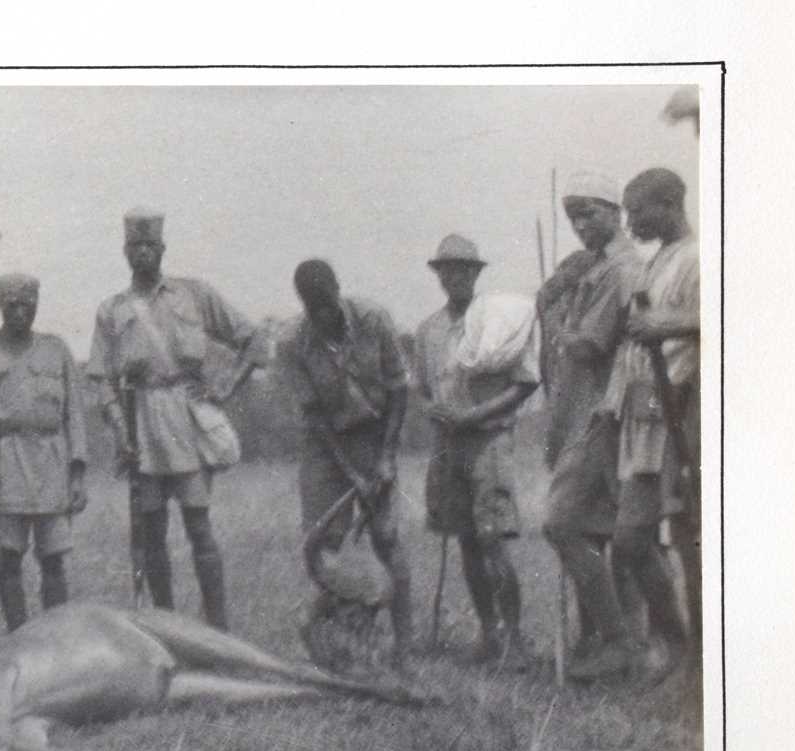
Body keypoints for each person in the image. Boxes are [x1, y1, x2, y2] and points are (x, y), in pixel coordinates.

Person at [85, 208, 265, 630]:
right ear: (125, 252)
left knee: (199, 528)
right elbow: (101, 379)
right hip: (140, 426)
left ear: (162, 249)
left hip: (186, 421)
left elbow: (254, 340)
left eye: (150, 245)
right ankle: (169, 630)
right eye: (135, 246)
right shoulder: (112, 309)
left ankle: (218, 631)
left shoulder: (194, 295)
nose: (143, 252)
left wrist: (225, 386)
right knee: (152, 535)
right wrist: (119, 432)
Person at [274, 259, 413, 665]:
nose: (323, 315)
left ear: (339, 291)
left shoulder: (374, 319)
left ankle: (404, 647)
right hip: (326, 444)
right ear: (303, 305)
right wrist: (352, 473)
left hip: (374, 433)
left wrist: (385, 459)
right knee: (322, 545)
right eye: (313, 308)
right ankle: (337, 636)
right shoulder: (291, 343)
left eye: (328, 304)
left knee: (386, 538)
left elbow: (399, 390)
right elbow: (314, 416)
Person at [540, 170, 650, 677]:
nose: (580, 223)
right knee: (600, 526)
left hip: (606, 414)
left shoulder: (618, 270)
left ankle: (618, 641)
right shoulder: (598, 267)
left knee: (561, 522)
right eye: (572, 216)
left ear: (614, 211)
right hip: (591, 414)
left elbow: (588, 344)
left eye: (588, 212)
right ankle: (612, 644)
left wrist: (558, 322)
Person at [414, 235, 540, 667]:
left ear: (476, 274)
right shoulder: (429, 330)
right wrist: (436, 411)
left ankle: (514, 638)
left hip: (488, 440)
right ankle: (489, 634)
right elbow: (423, 389)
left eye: (464, 270)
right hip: (448, 445)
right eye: (446, 270)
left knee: (494, 540)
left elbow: (526, 383)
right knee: (466, 539)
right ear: (438, 275)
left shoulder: (499, 320)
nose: (455, 277)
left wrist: (477, 414)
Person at [601, 167, 700, 676]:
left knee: (690, 539)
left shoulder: (700, 258)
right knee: (631, 540)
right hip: (643, 413)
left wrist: (670, 323)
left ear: (668, 204)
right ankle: (675, 643)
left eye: (637, 209)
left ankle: (702, 657)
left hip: (681, 415)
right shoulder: (655, 259)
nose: (630, 221)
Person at [0, 273, 88, 631]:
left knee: (53, 560)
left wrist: (77, 473)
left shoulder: (56, 349)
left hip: (51, 463)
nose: (19, 311)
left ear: (37, 305)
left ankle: (55, 636)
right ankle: (19, 637)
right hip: (5, 464)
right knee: (7, 559)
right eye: (11, 303)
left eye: (27, 304)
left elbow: (75, 413)